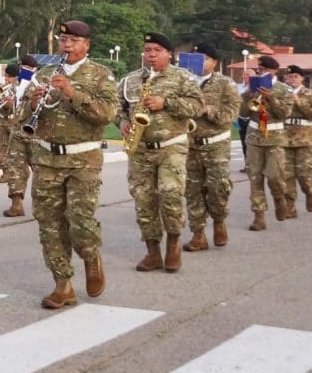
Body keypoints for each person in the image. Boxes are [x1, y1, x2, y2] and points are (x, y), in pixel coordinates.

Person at [22, 21, 117, 308]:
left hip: (83, 160)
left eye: (74, 41)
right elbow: (24, 111)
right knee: (49, 223)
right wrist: (33, 101)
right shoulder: (47, 73)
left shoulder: (102, 75)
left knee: (80, 222)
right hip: (47, 159)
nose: (67, 45)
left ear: (86, 45)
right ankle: (62, 285)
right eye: (63, 40)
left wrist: (73, 93)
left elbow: (107, 114)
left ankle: (91, 257)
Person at [119, 33, 202, 272]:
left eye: (156, 50)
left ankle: (173, 245)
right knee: (143, 200)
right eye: (147, 50)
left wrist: (167, 103)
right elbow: (116, 104)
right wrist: (122, 121)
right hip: (140, 149)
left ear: (168, 53)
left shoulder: (184, 78)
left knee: (170, 195)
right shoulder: (131, 80)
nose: (151, 54)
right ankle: (153, 252)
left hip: (171, 146)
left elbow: (197, 106)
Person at [181, 41, 239, 252]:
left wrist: (207, 109)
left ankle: (219, 220)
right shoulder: (184, 82)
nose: (200, 62)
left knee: (217, 188)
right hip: (189, 145)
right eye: (196, 58)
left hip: (216, 145)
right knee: (192, 191)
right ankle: (198, 234)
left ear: (214, 62)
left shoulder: (225, 84)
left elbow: (230, 115)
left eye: (205, 58)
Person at [239, 55, 291, 231]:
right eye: (260, 70)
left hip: (274, 136)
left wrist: (271, 98)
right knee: (255, 177)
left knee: (275, 176)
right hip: (254, 135)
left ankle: (278, 198)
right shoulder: (251, 88)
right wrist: (247, 95)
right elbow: (243, 114)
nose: (262, 73)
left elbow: (284, 113)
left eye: (265, 70)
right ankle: (259, 216)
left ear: (274, 71)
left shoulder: (283, 89)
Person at [1, 55, 41, 217]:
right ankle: (16, 204)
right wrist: (7, 105)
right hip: (16, 133)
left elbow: (41, 107)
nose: (21, 70)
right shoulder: (17, 85)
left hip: (35, 134)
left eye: (24, 67)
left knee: (41, 170)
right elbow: (11, 107)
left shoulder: (39, 84)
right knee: (15, 168)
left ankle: (44, 205)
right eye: (21, 67)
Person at [281, 65, 312, 215]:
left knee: (304, 174)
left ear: (302, 78)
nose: (291, 80)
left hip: (304, 140)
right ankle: (290, 205)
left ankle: (309, 192)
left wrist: (300, 102)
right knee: (287, 175)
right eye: (289, 77)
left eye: (295, 77)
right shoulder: (282, 94)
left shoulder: (311, 94)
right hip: (285, 138)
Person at [0, 64, 20, 184]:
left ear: (16, 77)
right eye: (6, 76)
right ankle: (5, 173)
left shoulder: (21, 89)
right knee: (0, 147)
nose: (6, 79)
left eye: (10, 77)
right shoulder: (1, 88)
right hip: (1, 120)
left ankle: (17, 173)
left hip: (14, 120)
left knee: (16, 148)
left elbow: (20, 107)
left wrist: (9, 105)